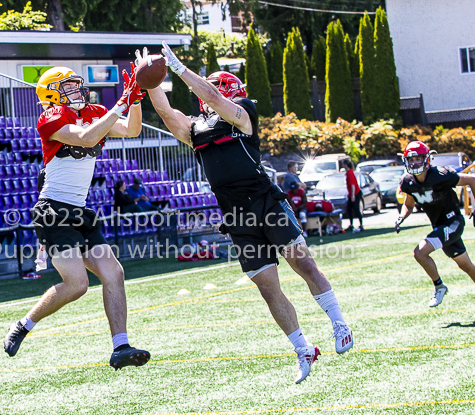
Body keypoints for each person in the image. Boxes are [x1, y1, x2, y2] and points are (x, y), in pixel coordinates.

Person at [141, 44, 353, 384]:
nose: (214, 90)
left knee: (304, 264)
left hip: (265, 202)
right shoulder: (196, 127)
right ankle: (303, 348)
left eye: (218, 86)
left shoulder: (243, 110)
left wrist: (180, 70)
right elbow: (168, 115)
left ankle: (339, 323)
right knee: (268, 287)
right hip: (236, 214)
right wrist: (149, 80)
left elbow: (215, 99)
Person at [3, 65, 151, 370]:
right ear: (52, 93)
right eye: (69, 87)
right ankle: (24, 325)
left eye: (77, 85)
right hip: (53, 210)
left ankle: (120, 347)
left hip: (79, 211)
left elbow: (132, 130)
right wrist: (120, 104)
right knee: (77, 284)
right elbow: (85, 137)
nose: (78, 90)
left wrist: (135, 100)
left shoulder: (95, 110)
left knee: (115, 273)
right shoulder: (50, 117)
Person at [395, 141, 475, 307]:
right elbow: (409, 204)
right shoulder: (407, 181)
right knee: (466, 266)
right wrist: (402, 217)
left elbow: (472, 180)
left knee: (420, 253)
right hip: (439, 227)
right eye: (411, 159)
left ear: (427, 159)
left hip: (453, 222)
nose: (414, 163)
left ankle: (439, 286)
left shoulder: (440, 175)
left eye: (418, 159)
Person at [344, 160, 363, 232]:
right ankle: (351, 225)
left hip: (355, 193)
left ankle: (361, 225)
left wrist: (352, 195)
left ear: (345, 165)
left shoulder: (350, 173)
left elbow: (353, 185)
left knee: (356, 209)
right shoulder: (348, 173)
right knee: (349, 209)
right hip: (352, 194)